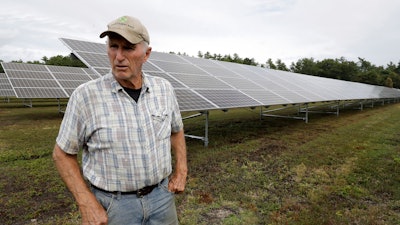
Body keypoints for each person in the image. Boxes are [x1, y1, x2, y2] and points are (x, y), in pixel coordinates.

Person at [52, 15, 187, 225]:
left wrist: (181, 171)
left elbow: (176, 130)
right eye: (113, 46)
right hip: (114, 206)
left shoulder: (164, 89)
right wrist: (86, 202)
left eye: (128, 48)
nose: (119, 56)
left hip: (162, 198)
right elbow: (62, 154)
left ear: (146, 54)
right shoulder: (86, 96)